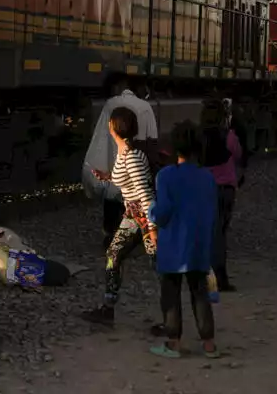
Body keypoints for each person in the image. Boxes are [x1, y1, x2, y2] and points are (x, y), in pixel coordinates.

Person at [148, 121, 219, 360]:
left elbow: (164, 212)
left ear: (174, 148)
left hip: (172, 246)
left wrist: (151, 212)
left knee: (170, 293)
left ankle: (173, 344)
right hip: (198, 245)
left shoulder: (165, 176)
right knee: (200, 293)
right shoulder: (207, 177)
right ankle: (209, 344)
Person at [81, 106, 157, 325]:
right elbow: (128, 180)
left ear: (114, 127)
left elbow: (144, 194)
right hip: (133, 216)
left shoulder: (131, 157)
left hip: (143, 218)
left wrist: (152, 229)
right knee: (114, 255)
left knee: (159, 264)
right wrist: (107, 177)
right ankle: (108, 308)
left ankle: (173, 320)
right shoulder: (126, 153)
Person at [82, 73, 159, 249]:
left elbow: (100, 135)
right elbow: (152, 140)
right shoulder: (145, 106)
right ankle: (142, 236)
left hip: (114, 158)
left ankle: (111, 234)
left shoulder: (110, 104)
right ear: (140, 88)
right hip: (136, 162)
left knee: (112, 196)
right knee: (136, 196)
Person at [203, 99, 244, 292]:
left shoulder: (200, 137)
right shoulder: (229, 137)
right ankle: (220, 277)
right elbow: (238, 156)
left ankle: (206, 275)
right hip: (226, 188)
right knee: (220, 234)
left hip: (205, 188)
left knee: (208, 233)